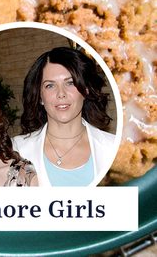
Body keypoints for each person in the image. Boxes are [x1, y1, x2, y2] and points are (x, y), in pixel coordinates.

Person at [12, 46, 116, 187]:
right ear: (40, 96)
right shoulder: (16, 149)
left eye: (70, 83)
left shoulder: (113, 147)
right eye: (50, 86)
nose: (61, 93)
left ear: (85, 90)